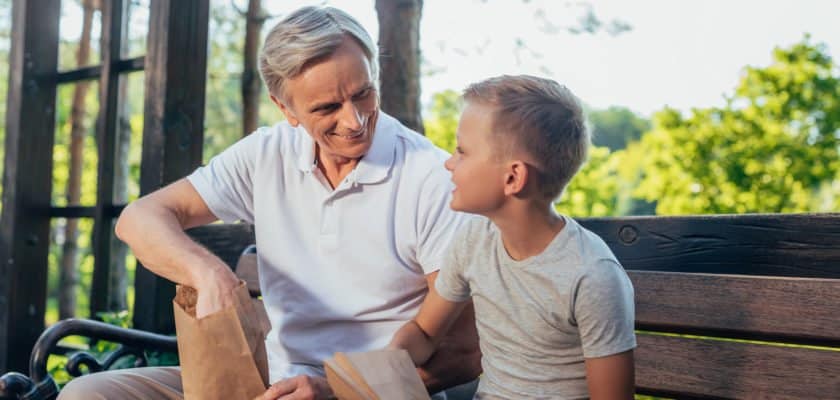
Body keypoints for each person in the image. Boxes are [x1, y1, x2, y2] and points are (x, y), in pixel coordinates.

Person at [58, 6, 480, 400]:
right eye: (328, 107)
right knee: (86, 394)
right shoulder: (267, 154)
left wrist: (334, 390)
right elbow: (139, 218)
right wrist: (208, 275)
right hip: (263, 380)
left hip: (371, 393)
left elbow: (464, 353)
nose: (354, 121)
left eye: (364, 93)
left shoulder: (431, 179)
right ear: (286, 108)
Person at [389, 75, 637, 399]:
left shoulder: (593, 276)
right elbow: (423, 332)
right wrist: (385, 368)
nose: (449, 163)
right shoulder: (473, 240)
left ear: (513, 177)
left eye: (462, 152)